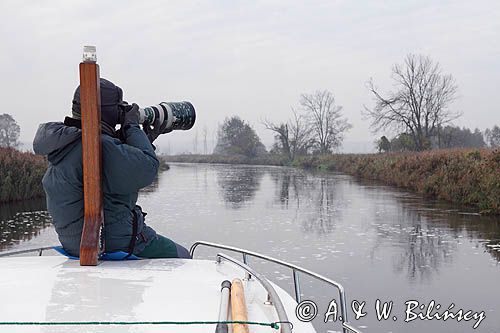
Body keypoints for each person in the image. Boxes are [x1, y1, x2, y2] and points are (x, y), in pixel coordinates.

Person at [33, 78, 191, 259]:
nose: (121, 112)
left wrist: (145, 140)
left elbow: (118, 163)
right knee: (183, 256)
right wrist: (132, 127)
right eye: (118, 107)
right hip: (113, 242)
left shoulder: (67, 142)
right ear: (106, 111)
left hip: (75, 244)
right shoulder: (100, 145)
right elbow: (147, 169)